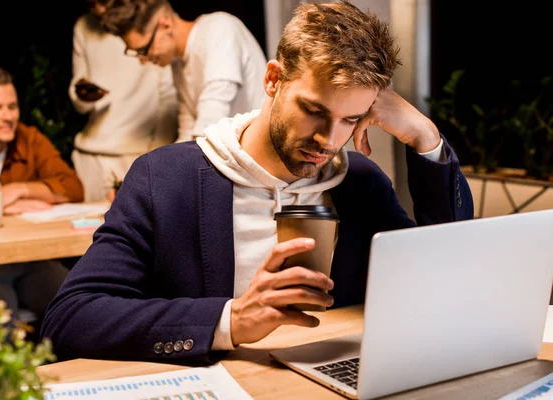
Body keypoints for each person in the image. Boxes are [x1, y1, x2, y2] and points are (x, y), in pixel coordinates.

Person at [42, 1, 474, 363]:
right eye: (314, 110)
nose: (329, 139)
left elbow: (447, 277)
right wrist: (230, 320)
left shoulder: (358, 181)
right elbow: (71, 318)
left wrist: (425, 136)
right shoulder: (165, 178)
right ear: (272, 80)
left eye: (352, 119)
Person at [0, 66, 84, 327]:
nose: (7, 116)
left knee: (74, 304)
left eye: (12, 106)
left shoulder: (30, 139)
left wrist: (17, 191)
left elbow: (72, 187)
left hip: (30, 258)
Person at [100, 0, 268, 143]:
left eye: (144, 49)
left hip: (262, 164)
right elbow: (188, 128)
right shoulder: (178, 62)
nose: (143, 60)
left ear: (165, 24)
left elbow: (211, 119)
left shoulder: (220, 28)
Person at [70, 0, 178, 202]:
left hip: (136, 156)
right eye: (91, 4)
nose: (100, 10)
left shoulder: (150, 20)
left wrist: (155, 159)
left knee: (136, 230)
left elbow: (170, 95)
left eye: (104, 2)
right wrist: (82, 94)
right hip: (90, 155)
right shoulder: (84, 25)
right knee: (86, 231)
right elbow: (79, 92)